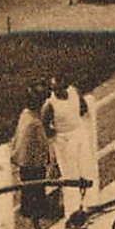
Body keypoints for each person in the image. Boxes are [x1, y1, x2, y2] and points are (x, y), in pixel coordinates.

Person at [10, 90, 55, 229]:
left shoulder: (26, 115)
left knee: (32, 198)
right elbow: (40, 144)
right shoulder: (34, 123)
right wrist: (46, 160)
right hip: (33, 167)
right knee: (35, 199)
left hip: (25, 165)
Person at [43, 79, 93, 211]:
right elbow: (45, 124)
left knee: (85, 169)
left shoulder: (74, 92)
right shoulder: (50, 104)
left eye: (58, 88)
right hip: (64, 140)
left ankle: (87, 205)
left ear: (65, 86)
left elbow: (83, 108)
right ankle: (72, 210)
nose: (56, 92)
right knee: (70, 176)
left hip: (78, 134)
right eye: (54, 89)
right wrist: (56, 135)